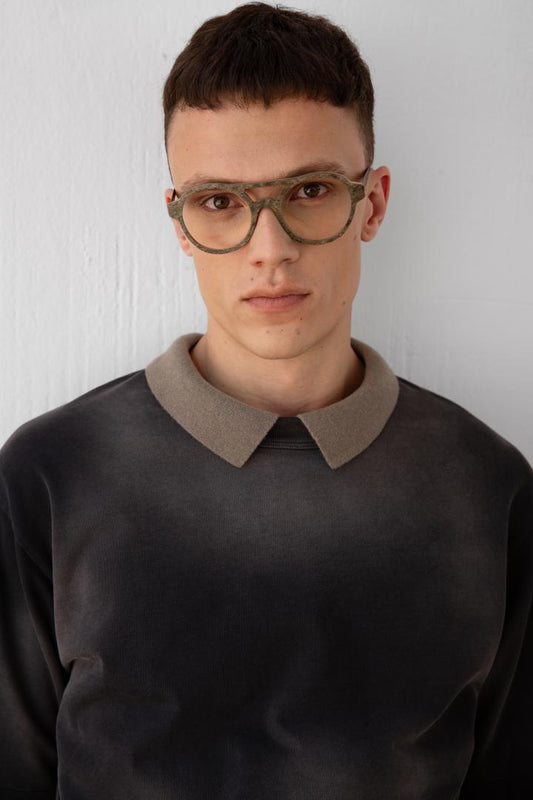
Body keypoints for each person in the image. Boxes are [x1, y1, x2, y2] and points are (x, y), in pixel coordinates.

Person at [1, 3, 532, 798]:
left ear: (372, 203)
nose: (269, 248)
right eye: (220, 201)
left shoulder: (487, 487)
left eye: (309, 189)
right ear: (180, 223)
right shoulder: (52, 474)